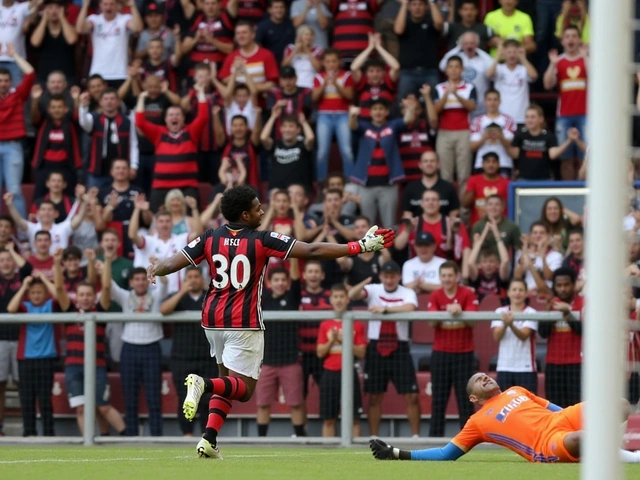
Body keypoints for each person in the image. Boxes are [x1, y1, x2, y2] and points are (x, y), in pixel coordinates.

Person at [146, 184, 395, 458]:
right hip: (244, 322)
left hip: (212, 319)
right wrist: (357, 246)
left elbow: (173, 263)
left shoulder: (209, 237)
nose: (262, 210)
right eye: (256, 207)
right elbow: (311, 251)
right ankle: (202, 384)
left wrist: (155, 268)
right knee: (244, 390)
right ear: (244, 214)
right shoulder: (261, 239)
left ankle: (209, 439)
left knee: (227, 380)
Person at [369, 373, 640, 463]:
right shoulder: (477, 422)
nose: (484, 377)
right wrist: (396, 453)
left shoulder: (516, 390)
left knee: (620, 404)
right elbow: (444, 454)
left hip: (561, 420)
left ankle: (610, 450)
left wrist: (583, 414)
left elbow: (553, 407)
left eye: (484, 375)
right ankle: (627, 457)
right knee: (583, 439)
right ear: (473, 398)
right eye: (477, 380)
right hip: (546, 443)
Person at [55, 248, 126, 436]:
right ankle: (90, 444)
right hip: (73, 367)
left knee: (102, 407)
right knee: (81, 409)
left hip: (97, 366)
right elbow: (59, 288)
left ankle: (127, 437)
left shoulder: (99, 311)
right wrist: (56, 263)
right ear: (76, 297)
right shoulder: (69, 312)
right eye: (82, 295)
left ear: (93, 296)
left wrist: (108, 262)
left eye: (88, 295)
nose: (85, 298)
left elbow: (108, 288)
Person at [348, 262, 421, 438]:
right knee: (374, 396)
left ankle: (415, 436)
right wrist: (363, 282)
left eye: (392, 276)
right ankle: (374, 436)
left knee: (411, 395)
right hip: (376, 346)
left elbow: (410, 307)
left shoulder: (407, 292)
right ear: (381, 276)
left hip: (399, 346)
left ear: (398, 276)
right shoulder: (374, 289)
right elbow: (351, 294)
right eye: (386, 276)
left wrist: (385, 310)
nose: (389, 280)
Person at [104, 261, 168, 436]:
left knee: (154, 397)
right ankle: (131, 437)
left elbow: (165, 284)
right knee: (130, 397)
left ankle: (157, 437)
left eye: (143, 279)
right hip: (130, 349)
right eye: (136, 279)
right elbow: (109, 285)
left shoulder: (155, 296)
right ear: (131, 282)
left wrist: (158, 268)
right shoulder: (125, 296)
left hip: (152, 347)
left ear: (147, 281)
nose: (140, 282)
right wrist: (107, 264)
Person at [160, 266, 217, 437]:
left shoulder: (210, 297)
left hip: (208, 357)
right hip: (182, 358)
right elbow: (163, 310)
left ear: (202, 279)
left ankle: (205, 435)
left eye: (196, 276)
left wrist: (211, 289)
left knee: (207, 399)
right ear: (185, 280)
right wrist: (181, 292)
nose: (193, 280)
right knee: (186, 398)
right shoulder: (179, 298)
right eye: (189, 277)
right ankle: (187, 434)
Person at [135, 86, 208, 211]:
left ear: (183, 119)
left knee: (191, 222)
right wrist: (141, 98)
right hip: (161, 187)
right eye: (171, 115)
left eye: (177, 115)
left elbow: (203, 117)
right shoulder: (159, 133)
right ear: (165, 119)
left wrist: (201, 93)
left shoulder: (191, 132)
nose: (174, 117)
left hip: (187, 187)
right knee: (157, 220)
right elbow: (140, 122)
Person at [427, 261, 479, 437]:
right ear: (440, 277)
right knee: (438, 402)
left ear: (457, 276)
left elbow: (473, 321)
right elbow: (431, 322)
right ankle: (434, 442)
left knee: (465, 402)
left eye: (450, 275)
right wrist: (445, 313)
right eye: (444, 276)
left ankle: (468, 440)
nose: (447, 279)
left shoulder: (468, 294)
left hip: (464, 355)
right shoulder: (435, 295)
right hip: (441, 354)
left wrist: (461, 311)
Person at [256, 259, 306, 437]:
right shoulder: (264, 299)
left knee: (295, 403)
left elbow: (296, 278)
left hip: (290, 360)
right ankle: (261, 440)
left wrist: (293, 255)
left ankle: (300, 438)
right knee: (262, 403)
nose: (280, 283)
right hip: (266, 361)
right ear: (270, 282)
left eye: (283, 280)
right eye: (276, 280)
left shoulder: (293, 297)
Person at [7, 273, 60, 436]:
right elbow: (11, 308)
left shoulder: (50, 305)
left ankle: (49, 434)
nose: (36, 295)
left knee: (45, 400)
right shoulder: (25, 307)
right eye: (33, 292)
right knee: (27, 399)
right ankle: (29, 433)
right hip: (26, 360)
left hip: (46, 359)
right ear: (28, 295)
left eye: (40, 292)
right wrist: (24, 286)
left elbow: (59, 295)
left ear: (46, 293)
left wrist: (44, 279)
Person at [348, 99, 415, 228]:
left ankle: (388, 249)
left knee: (389, 225)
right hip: (366, 185)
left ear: (386, 112)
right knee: (368, 226)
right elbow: (353, 126)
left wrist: (410, 108)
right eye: (375, 109)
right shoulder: (363, 126)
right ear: (370, 112)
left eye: (381, 109)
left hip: (388, 185)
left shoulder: (392, 125)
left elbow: (408, 120)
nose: (378, 112)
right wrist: (352, 115)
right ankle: (370, 249)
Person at [317, 283, 367, 437]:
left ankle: (356, 458)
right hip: (329, 374)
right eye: (335, 297)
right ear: (330, 300)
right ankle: (326, 458)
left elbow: (361, 352)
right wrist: (332, 341)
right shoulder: (325, 325)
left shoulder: (356, 324)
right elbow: (320, 352)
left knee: (354, 419)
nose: (338, 300)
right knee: (328, 419)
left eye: (341, 297)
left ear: (347, 299)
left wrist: (344, 340)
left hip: (349, 373)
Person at [542, 25, 588, 180]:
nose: (570, 39)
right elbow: (548, 84)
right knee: (565, 159)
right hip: (564, 115)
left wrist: (586, 56)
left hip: (586, 115)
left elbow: (597, 77)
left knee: (586, 158)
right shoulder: (558, 61)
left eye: (574, 36)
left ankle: (585, 193)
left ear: (579, 40)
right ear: (562, 41)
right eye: (567, 36)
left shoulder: (586, 60)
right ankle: (569, 190)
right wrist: (552, 64)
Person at [431, 55, 477, 197]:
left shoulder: (469, 87)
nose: (454, 70)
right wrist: (446, 95)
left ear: (462, 69)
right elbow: (435, 110)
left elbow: (472, 106)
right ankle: (447, 210)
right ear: (446, 70)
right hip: (444, 133)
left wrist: (456, 94)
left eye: (457, 67)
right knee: (445, 175)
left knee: (464, 174)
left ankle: (463, 213)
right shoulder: (439, 88)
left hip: (464, 132)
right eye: (451, 67)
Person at [538, 267, 583, 408]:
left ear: (574, 285)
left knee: (576, 407)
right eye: (559, 285)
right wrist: (549, 312)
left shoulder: (583, 303)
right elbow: (543, 333)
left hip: (577, 363)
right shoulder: (552, 304)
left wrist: (567, 314)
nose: (562, 289)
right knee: (555, 408)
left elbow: (584, 331)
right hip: (553, 364)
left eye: (566, 285)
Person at [0, 45, 35, 218]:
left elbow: (30, 74)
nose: (3, 83)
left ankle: (22, 237)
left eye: (6, 80)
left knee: (15, 191)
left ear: (11, 81)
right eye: (0, 80)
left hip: (13, 147)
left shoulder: (17, 96)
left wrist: (14, 55)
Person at [76, 0, 143, 87]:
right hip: (98, 72)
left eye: (111, 4)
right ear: (100, 6)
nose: (108, 7)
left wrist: (133, 6)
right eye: (105, 4)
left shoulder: (124, 19)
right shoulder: (95, 19)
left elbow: (138, 28)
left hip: (120, 73)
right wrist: (85, 6)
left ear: (116, 5)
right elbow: (80, 29)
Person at [312, 48, 355, 181]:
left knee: (347, 151)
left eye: (334, 61)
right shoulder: (319, 77)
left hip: (343, 115)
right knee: (322, 152)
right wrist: (324, 84)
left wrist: (336, 83)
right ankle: (321, 184)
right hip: (324, 116)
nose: (331, 64)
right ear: (323, 63)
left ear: (339, 62)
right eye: (328, 61)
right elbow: (314, 98)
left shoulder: (347, 76)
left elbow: (349, 95)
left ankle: (350, 183)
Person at [491, 279, 538, 393]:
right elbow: (497, 336)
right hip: (504, 367)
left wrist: (510, 324)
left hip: (526, 368)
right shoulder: (499, 311)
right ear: (508, 293)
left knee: (527, 407)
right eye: (514, 289)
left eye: (521, 290)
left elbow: (524, 335)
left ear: (526, 293)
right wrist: (506, 325)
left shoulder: (531, 312)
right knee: (505, 407)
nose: (517, 293)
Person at [394, 0, 444, 100]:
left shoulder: (430, 22)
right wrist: (404, 4)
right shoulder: (405, 23)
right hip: (408, 72)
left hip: (430, 72)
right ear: (409, 7)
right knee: (404, 105)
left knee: (433, 104)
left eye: (420, 4)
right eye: (414, 4)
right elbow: (398, 29)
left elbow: (439, 24)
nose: (417, 8)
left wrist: (431, 2)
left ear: (426, 7)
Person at [438, 31, 493, 118]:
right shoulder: (458, 57)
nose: (469, 46)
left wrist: (478, 50)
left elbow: (493, 69)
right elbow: (442, 66)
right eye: (466, 43)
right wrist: (458, 47)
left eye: (472, 43)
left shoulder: (483, 59)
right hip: (462, 103)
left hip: (481, 104)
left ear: (477, 44)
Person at [487, 40, 538, 127]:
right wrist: (498, 55)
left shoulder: (523, 69)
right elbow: (489, 74)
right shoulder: (499, 69)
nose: (512, 55)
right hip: (502, 117)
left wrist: (523, 58)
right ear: (504, 54)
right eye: (509, 52)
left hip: (521, 116)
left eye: (514, 52)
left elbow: (534, 76)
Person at [468, 90, 517, 178]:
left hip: (503, 162)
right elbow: (472, 147)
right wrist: (484, 137)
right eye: (489, 100)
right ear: (485, 102)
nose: (492, 103)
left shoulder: (508, 120)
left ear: (500, 102)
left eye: (495, 100)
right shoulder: (477, 121)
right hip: (481, 163)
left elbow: (511, 144)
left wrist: (500, 137)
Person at [401, 151, 460, 219]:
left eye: (432, 161)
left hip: (443, 228)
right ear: (420, 165)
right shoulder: (410, 188)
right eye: (425, 161)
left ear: (438, 165)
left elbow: (454, 214)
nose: (429, 164)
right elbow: (407, 214)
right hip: (417, 228)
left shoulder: (448, 187)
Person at [466, 221, 510, 301]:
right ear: (479, 265)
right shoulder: (477, 277)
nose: (488, 265)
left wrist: (497, 236)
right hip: (480, 310)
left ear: (497, 264)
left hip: (499, 310)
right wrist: (483, 236)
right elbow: (470, 263)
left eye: (491, 262)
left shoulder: (500, 276)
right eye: (485, 262)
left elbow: (505, 261)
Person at [463, 152, 510, 226]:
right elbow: (464, 204)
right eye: (487, 162)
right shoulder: (473, 180)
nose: (491, 165)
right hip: (478, 225)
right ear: (482, 164)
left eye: (494, 162)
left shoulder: (507, 183)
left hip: (501, 225)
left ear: (499, 165)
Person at [256, 0, 296, 65]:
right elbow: (258, 45)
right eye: (276, 7)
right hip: (269, 63)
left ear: (285, 9)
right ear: (270, 10)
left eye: (281, 7)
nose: (279, 10)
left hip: (288, 63)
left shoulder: (290, 24)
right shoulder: (263, 26)